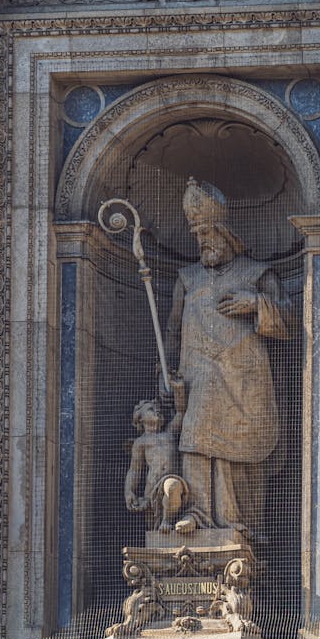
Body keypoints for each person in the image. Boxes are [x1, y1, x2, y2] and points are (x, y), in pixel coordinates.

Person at [164, 177, 292, 540]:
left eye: (211, 236)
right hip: (198, 378)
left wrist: (256, 305)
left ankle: (240, 523)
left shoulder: (256, 273)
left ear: (227, 234)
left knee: (237, 450)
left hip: (244, 380)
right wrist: (166, 369)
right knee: (195, 437)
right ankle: (197, 514)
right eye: (199, 238)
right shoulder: (187, 279)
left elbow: (292, 320)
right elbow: (172, 332)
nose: (205, 243)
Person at [124, 391, 187, 533]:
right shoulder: (141, 442)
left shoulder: (169, 433)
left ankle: (167, 521)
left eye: (158, 409)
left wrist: (179, 391)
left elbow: (181, 413)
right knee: (154, 526)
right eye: (151, 409)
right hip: (152, 487)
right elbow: (135, 470)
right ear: (140, 419)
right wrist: (129, 492)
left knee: (172, 487)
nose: (157, 410)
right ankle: (162, 525)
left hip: (172, 479)